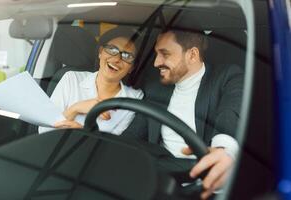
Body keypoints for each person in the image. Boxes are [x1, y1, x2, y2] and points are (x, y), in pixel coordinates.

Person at [123, 29, 243, 199]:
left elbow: (230, 113)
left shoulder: (226, 77)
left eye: (164, 54)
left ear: (192, 55)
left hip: (204, 187)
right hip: (158, 182)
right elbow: (133, 135)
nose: (156, 62)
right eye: (156, 54)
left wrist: (223, 149)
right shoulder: (155, 86)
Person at [39, 27, 144, 134]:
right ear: (100, 52)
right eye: (112, 49)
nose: (117, 59)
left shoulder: (133, 98)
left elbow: (114, 145)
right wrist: (75, 109)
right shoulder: (71, 79)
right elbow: (43, 130)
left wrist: (82, 132)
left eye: (127, 56)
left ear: (132, 67)